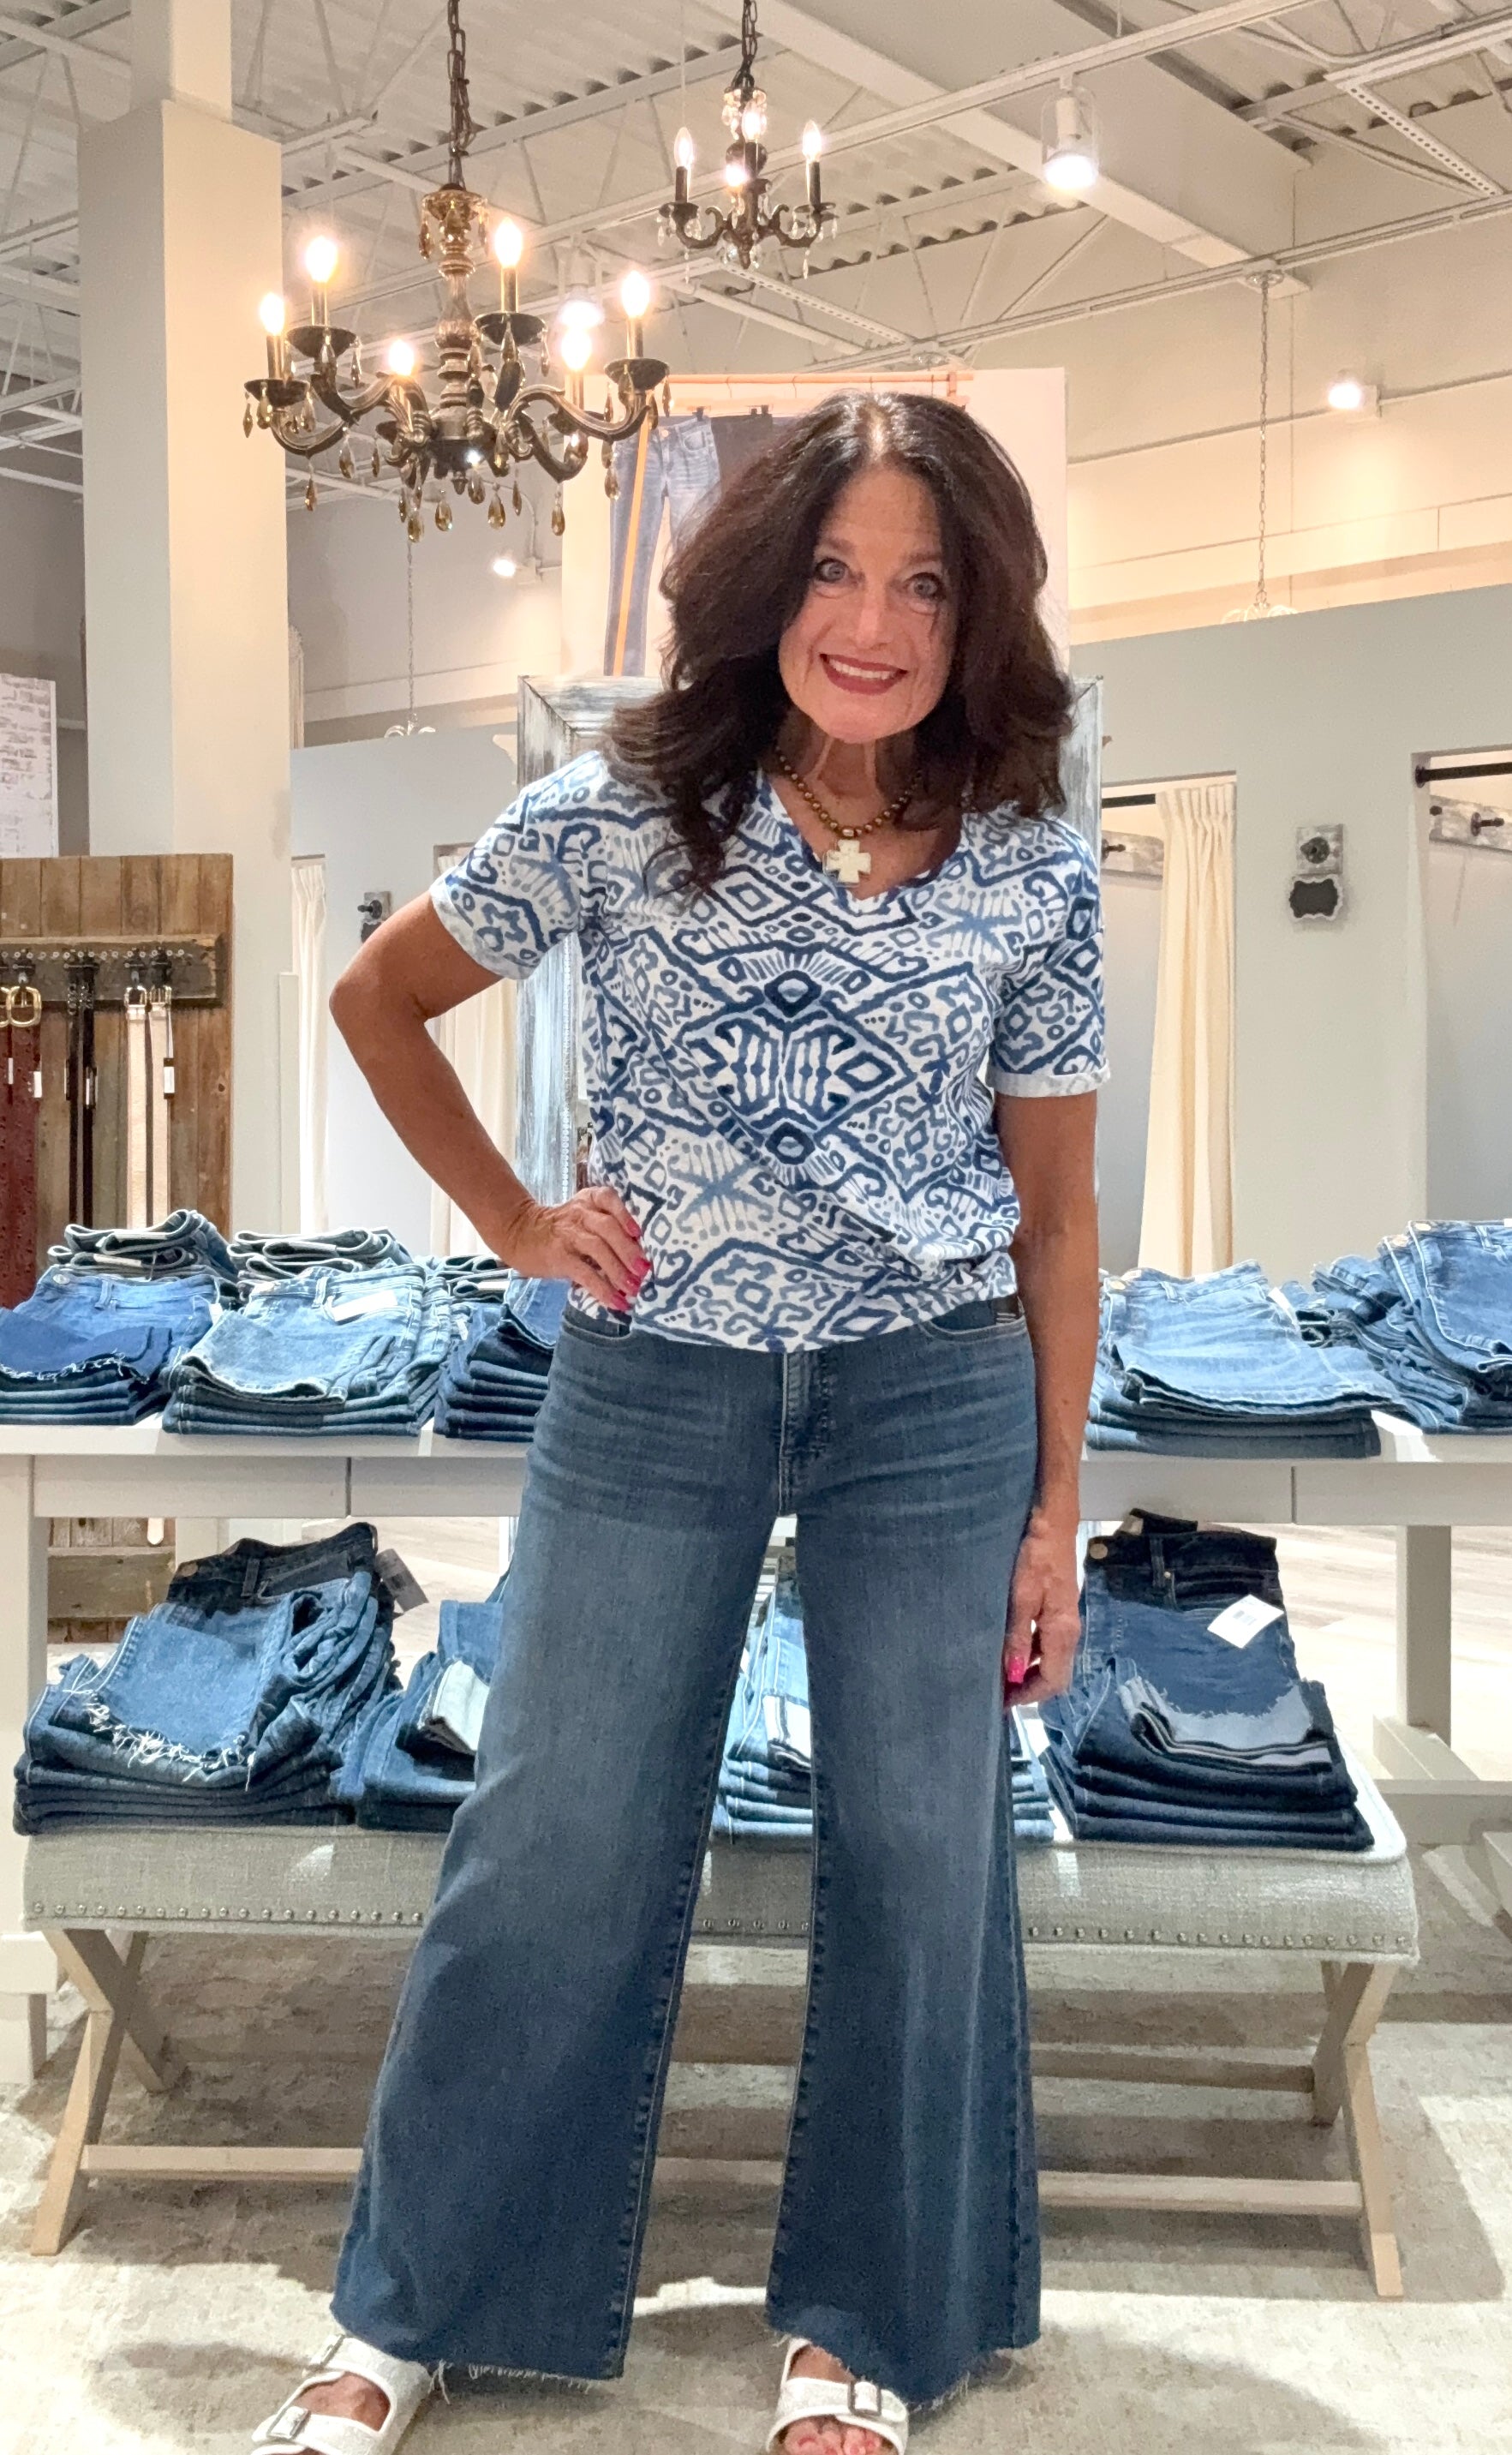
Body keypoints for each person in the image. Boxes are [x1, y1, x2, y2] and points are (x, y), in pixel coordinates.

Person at [253, 388, 1105, 2455]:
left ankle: (867, 2323)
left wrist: (1057, 1509)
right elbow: (378, 996)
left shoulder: (1030, 858)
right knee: (553, 1829)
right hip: (656, 1375)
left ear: (980, 610)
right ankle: (413, 2300)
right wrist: (511, 1218)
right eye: (834, 571)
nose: (873, 624)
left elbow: (1060, 1217)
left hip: (931, 1386)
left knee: (921, 1852)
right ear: (762, 584)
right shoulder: (625, 802)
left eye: (924, 583)